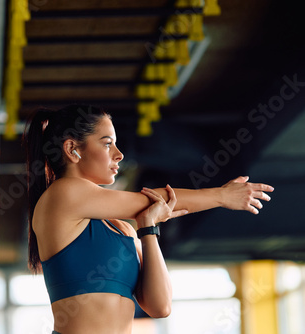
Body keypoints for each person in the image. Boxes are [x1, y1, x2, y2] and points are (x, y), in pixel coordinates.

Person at [22, 104, 274, 334]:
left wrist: (148, 229)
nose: (119, 154)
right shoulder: (63, 193)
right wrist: (221, 195)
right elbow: (156, 200)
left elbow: (160, 306)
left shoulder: (125, 230)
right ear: (72, 149)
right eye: (108, 143)